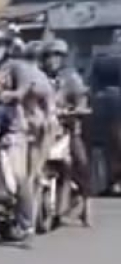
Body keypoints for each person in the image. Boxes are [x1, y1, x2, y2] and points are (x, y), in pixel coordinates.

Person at [0, 26, 56, 240]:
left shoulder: (17, 67)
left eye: (0, 44)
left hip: (13, 126)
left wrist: (5, 95)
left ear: (9, 47)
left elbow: (21, 92)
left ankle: (26, 222)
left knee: (20, 176)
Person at [41, 38, 92, 225]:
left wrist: (77, 109)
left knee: (80, 161)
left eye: (57, 56)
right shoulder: (39, 77)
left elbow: (81, 99)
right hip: (43, 128)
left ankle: (87, 203)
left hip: (67, 127)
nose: (52, 60)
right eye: (48, 56)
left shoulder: (71, 78)